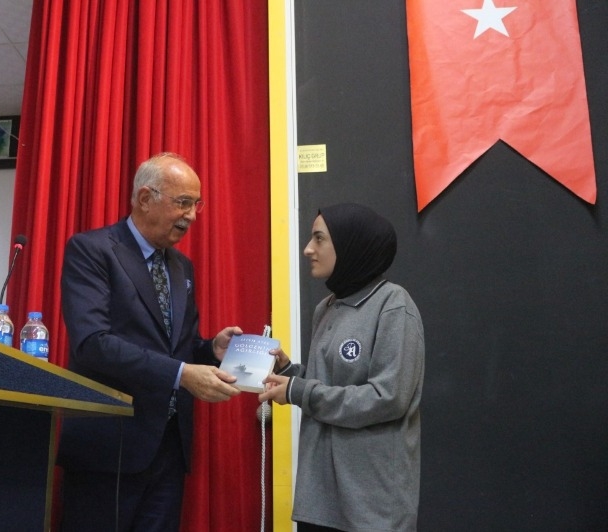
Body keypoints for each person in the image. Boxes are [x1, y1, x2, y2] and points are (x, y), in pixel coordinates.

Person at [56, 152, 242, 532]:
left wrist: (210, 350)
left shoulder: (181, 266)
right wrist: (182, 374)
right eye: (183, 202)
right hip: (108, 448)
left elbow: (180, 347)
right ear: (145, 198)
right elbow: (93, 343)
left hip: (168, 449)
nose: (192, 216)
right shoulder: (92, 250)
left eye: (196, 204)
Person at [259, 203, 425, 532]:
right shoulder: (326, 308)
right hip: (319, 501)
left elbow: (388, 398)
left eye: (319, 238)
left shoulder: (394, 305)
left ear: (351, 244)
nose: (308, 249)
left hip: (371, 507)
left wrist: (299, 391)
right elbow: (327, 385)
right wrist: (290, 373)